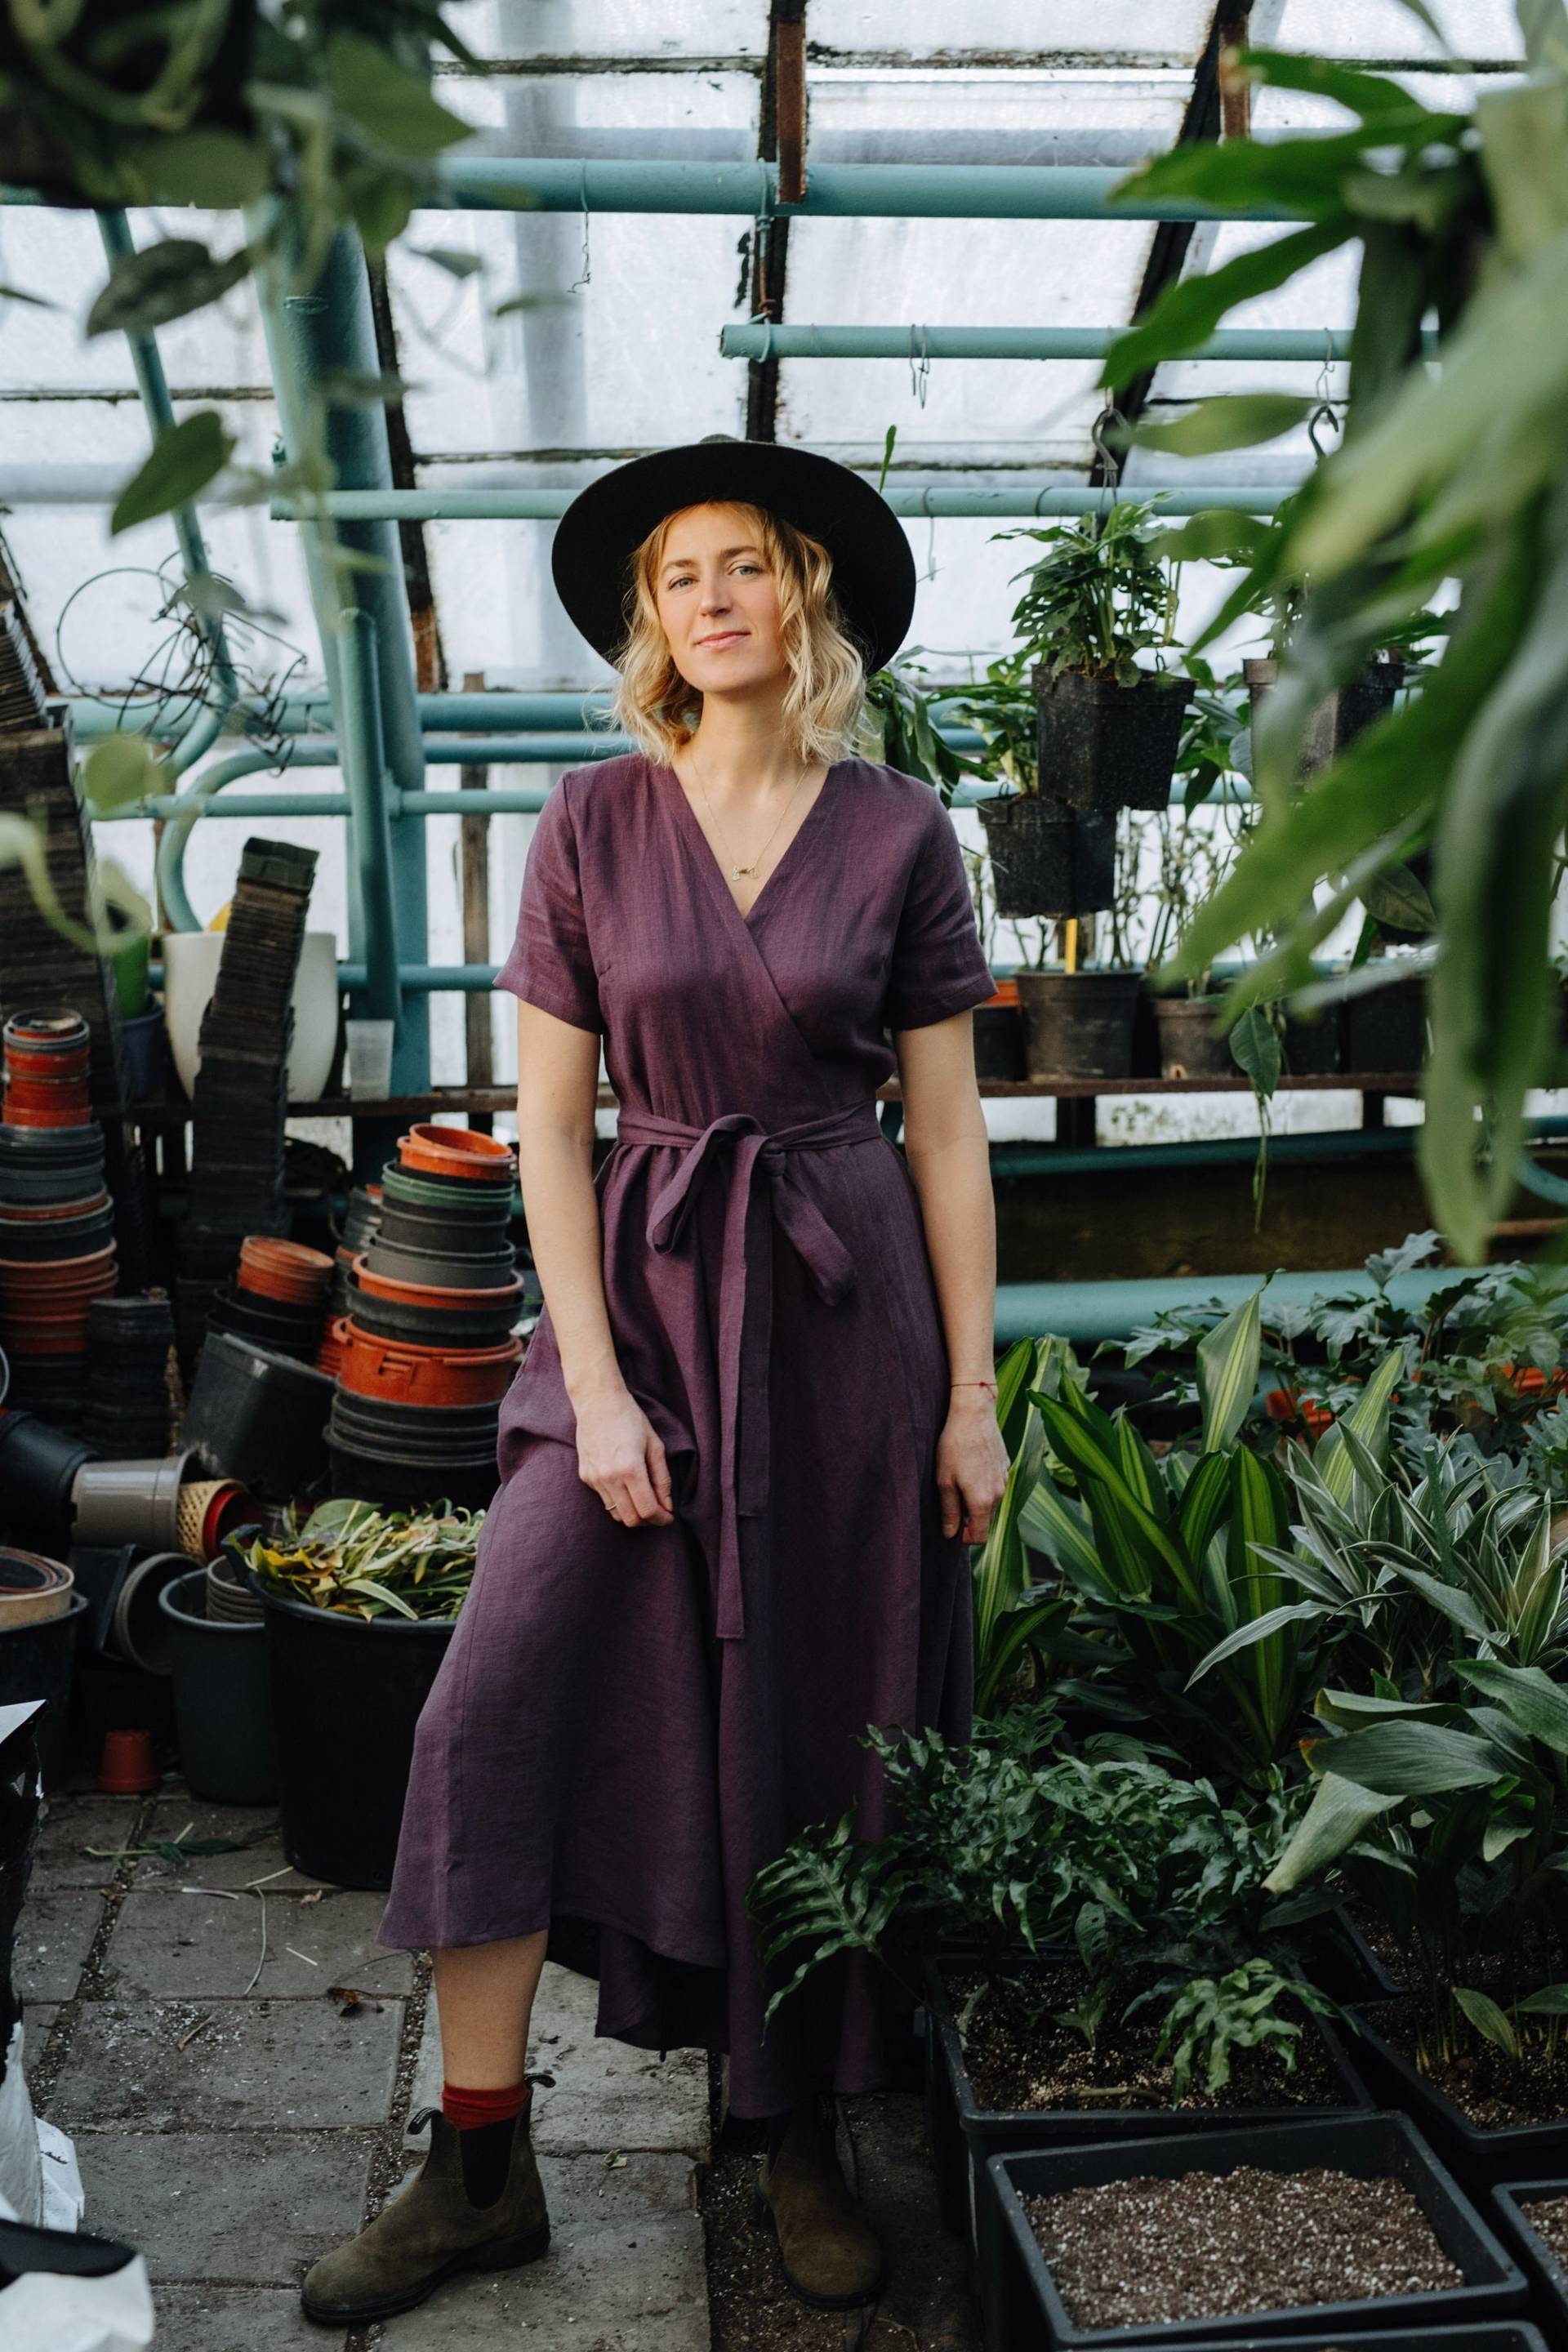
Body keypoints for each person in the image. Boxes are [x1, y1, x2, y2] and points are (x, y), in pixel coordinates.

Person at [301, 437, 1009, 2328]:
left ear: (806, 602)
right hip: (645, 1305)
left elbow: (946, 1140)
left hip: (850, 1334)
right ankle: (476, 2170)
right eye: (680, 575)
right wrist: (595, 1391)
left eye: (748, 567)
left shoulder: (902, 834)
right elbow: (546, 1137)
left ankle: (787, 2132)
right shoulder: (594, 824)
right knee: (488, 1710)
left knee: (814, 1728)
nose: (711, 597)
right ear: (652, 622)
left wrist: (969, 1396)